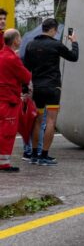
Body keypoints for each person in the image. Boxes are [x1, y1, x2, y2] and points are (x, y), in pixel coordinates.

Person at [23, 18, 78, 165]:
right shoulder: (56, 45)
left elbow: (26, 68)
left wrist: (24, 88)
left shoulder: (30, 44)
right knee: (51, 121)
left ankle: (34, 154)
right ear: (53, 30)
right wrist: (74, 41)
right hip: (53, 88)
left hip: (37, 88)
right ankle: (44, 155)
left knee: (37, 121)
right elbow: (73, 57)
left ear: (43, 28)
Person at [1, 29, 31, 172]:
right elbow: (25, 77)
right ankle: (4, 163)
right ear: (15, 41)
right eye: (19, 37)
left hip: (3, 97)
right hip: (9, 99)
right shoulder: (12, 59)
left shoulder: (2, 55)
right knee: (7, 131)